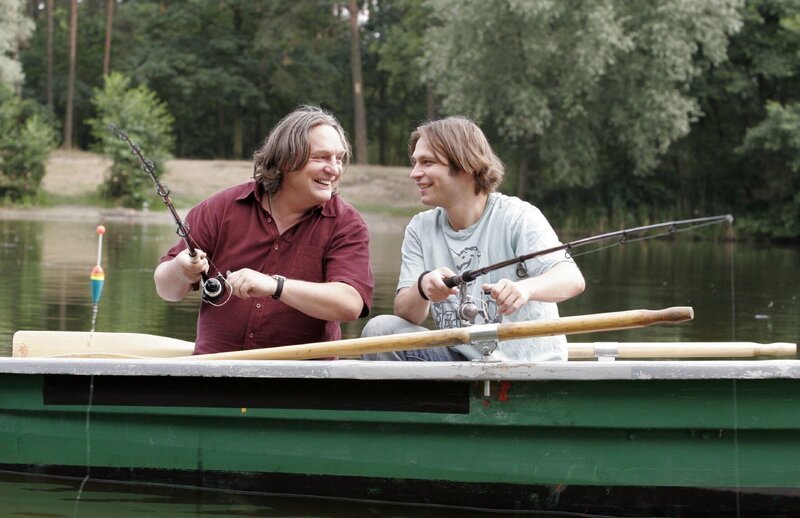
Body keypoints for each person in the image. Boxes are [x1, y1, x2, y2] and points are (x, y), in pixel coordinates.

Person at [362, 116, 584, 362]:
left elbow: (571, 279)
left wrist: (525, 289)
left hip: (529, 367)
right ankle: (423, 402)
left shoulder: (518, 216)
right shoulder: (420, 227)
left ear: (466, 166)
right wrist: (424, 287)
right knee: (380, 330)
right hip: (460, 362)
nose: (415, 173)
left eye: (427, 162)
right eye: (415, 162)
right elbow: (406, 313)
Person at [155, 106, 374, 355]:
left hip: (302, 381)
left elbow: (349, 304)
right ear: (285, 160)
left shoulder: (346, 224)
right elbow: (166, 290)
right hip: (215, 373)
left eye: (339, 158)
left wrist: (275, 287)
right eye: (321, 157)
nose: (334, 169)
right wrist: (182, 269)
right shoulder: (221, 208)